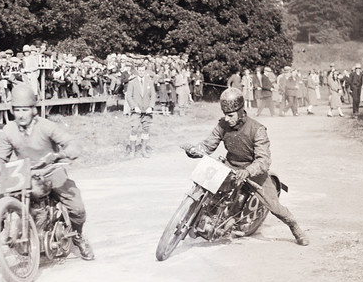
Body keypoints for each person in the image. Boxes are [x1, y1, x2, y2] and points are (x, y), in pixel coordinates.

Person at [0, 83, 94, 265]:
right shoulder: (9, 130)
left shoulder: (47, 127)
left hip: (50, 171)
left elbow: (72, 144)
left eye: (25, 109)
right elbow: (2, 156)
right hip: (23, 173)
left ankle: (78, 237)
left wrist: (58, 155)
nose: (21, 114)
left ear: (33, 110)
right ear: (12, 111)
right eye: (17, 110)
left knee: (76, 207)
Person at [181, 87, 309, 246]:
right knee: (207, 188)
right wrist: (194, 150)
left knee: (274, 206)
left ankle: (294, 226)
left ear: (241, 112)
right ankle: (201, 219)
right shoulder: (223, 125)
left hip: (254, 172)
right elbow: (208, 145)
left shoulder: (257, 129)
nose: (227, 119)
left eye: (230, 115)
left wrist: (248, 171)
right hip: (230, 166)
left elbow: (263, 160)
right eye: (225, 115)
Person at [124, 63, 157, 158]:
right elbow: (129, 97)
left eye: (143, 70)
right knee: (134, 129)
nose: (141, 72)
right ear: (137, 71)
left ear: (145, 71)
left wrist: (151, 107)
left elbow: (153, 95)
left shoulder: (149, 81)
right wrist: (134, 107)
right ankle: (132, 152)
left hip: (147, 111)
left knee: (146, 130)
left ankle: (143, 151)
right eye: (140, 70)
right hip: (136, 111)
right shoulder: (132, 82)